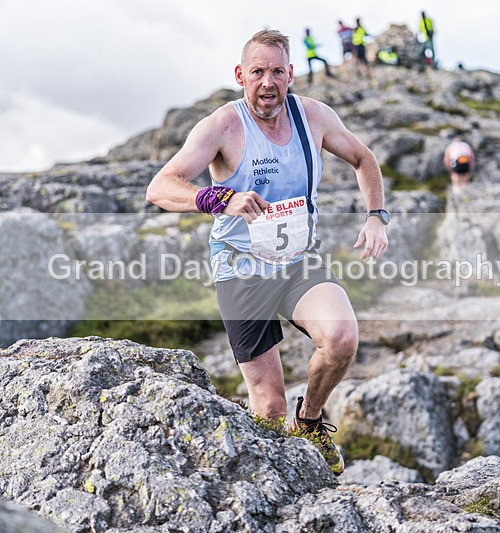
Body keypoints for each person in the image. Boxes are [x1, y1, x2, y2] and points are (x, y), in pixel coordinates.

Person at [145, 29, 389, 476]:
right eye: (258, 72)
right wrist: (220, 199)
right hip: (241, 270)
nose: (268, 82)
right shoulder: (222, 125)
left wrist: (377, 215)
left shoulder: (313, 117)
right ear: (241, 75)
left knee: (341, 339)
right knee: (269, 407)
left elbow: (363, 158)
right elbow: (160, 186)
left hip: (299, 260)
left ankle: (311, 419)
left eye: (277, 71)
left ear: (291, 74)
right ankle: (275, 493)